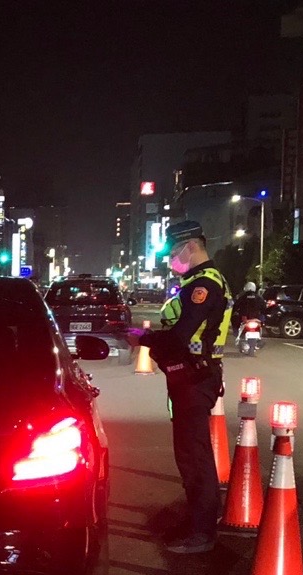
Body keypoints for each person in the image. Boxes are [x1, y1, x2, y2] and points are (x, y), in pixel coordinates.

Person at [133, 220, 233, 554]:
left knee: (194, 455)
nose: (171, 259)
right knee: (189, 453)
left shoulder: (204, 285)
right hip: (191, 377)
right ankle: (196, 521)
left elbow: (181, 335)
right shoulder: (199, 282)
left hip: (195, 378)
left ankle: (202, 532)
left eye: (174, 251)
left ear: (190, 246)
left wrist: (144, 338)